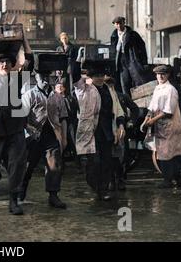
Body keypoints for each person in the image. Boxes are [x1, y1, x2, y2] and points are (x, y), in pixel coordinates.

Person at [0, 49, 33, 215]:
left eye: (8, 62)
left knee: (17, 165)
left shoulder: (18, 80)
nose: (5, 64)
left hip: (15, 130)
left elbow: (30, 63)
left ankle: (13, 201)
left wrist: (24, 43)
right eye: (1, 62)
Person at [73, 51, 126, 201]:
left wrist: (121, 125)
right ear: (91, 77)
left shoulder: (109, 90)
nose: (100, 78)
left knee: (107, 162)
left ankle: (102, 190)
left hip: (108, 131)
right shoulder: (84, 89)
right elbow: (75, 75)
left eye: (102, 75)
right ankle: (96, 186)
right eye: (97, 76)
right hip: (92, 131)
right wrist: (78, 59)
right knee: (94, 162)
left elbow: (118, 109)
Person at [20, 71, 67, 209]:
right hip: (33, 137)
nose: (46, 80)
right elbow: (22, 118)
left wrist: (64, 138)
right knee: (27, 166)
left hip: (52, 136)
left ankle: (53, 195)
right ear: (36, 77)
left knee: (54, 166)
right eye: (43, 76)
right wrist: (29, 129)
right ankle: (20, 193)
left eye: (49, 77)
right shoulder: (30, 94)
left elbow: (63, 117)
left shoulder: (57, 97)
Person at [141, 65, 181, 188]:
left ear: (168, 75)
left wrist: (153, 120)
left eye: (163, 74)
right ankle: (170, 178)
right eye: (158, 74)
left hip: (171, 126)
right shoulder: (158, 88)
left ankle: (169, 180)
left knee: (171, 154)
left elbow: (168, 111)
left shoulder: (170, 90)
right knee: (164, 153)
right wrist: (147, 118)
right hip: (161, 126)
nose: (160, 76)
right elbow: (152, 106)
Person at [104, 76, 140, 191]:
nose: (109, 87)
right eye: (107, 85)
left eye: (111, 85)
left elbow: (135, 108)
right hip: (107, 130)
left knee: (122, 156)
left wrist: (131, 122)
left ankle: (120, 179)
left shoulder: (121, 96)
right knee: (109, 156)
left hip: (121, 129)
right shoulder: (102, 97)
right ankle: (110, 179)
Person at [110, 16, 149, 95]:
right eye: (117, 24)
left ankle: (140, 101)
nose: (119, 26)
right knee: (124, 82)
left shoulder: (133, 34)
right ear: (114, 25)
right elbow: (113, 50)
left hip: (132, 59)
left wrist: (144, 62)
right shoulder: (114, 36)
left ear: (124, 23)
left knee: (138, 80)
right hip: (120, 61)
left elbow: (142, 47)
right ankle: (127, 103)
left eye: (120, 23)